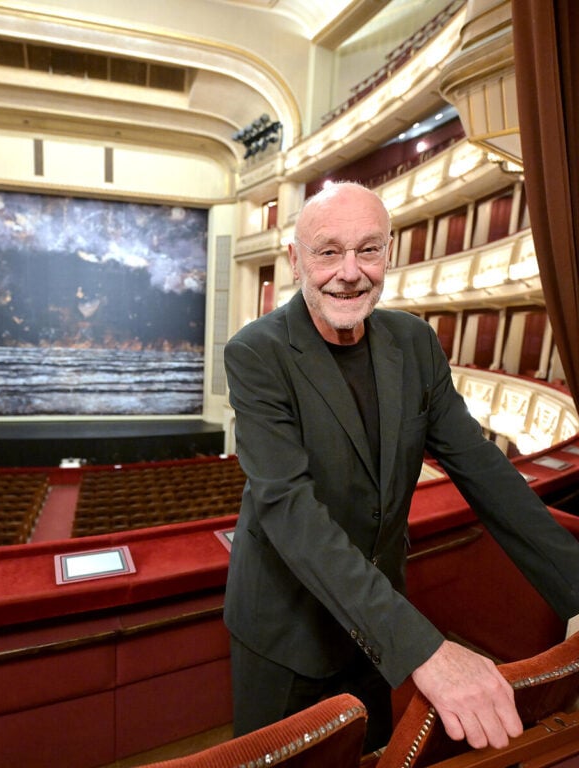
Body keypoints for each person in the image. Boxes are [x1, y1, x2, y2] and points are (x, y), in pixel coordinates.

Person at [223, 181, 579, 754]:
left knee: (377, 755)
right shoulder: (255, 353)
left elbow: (485, 471)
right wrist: (425, 650)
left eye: (369, 249)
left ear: (388, 253)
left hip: (378, 628)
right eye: (328, 251)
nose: (350, 271)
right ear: (295, 261)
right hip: (286, 630)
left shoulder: (414, 342)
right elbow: (291, 514)